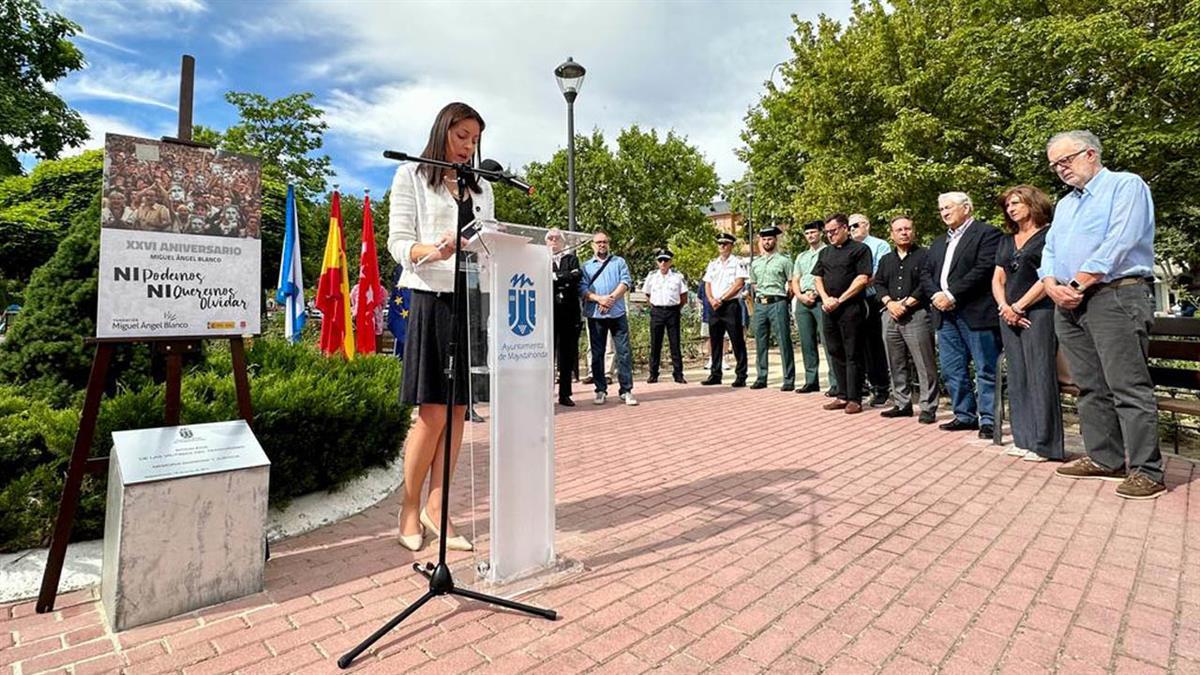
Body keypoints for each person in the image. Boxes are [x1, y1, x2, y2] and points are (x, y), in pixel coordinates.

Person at [386, 102, 490, 553]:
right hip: (431, 298)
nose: (468, 146)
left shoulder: (482, 186)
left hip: (471, 300)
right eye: (462, 135)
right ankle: (409, 509)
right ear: (443, 130)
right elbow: (397, 243)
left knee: (459, 410)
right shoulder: (411, 176)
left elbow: (487, 243)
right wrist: (435, 250)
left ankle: (438, 508)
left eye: (475, 139)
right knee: (432, 413)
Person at [1040, 130, 1164, 499]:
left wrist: (1076, 283)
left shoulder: (1125, 186)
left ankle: (1147, 471)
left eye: (1066, 160)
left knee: (1127, 386)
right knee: (1089, 385)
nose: (1061, 169)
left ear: (1090, 153)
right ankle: (1104, 458)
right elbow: (1050, 249)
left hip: (1115, 295)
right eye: (1055, 165)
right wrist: (1050, 283)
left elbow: (1120, 240)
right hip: (1069, 302)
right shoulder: (1065, 204)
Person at [922, 192, 1003, 438]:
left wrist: (951, 294)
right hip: (944, 315)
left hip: (975, 312)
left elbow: (983, 269)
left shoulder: (987, 234)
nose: (944, 213)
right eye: (941, 209)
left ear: (966, 208)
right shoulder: (939, 242)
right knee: (952, 368)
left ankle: (989, 420)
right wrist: (937, 296)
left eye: (948, 207)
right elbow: (926, 274)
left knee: (985, 367)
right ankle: (965, 415)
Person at [992, 185, 1064, 462]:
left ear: (1033, 204)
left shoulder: (1050, 235)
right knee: (1018, 376)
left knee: (1040, 375)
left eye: (1016, 203)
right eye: (1008, 205)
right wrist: (1004, 307)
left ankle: (1045, 445)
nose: (1010, 209)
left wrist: (1020, 306)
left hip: (1038, 313)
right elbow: (998, 278)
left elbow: (1049, 277)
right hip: (1008, 314)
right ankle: (1023, 439)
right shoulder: (1006, 241)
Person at [874, 215, 938, 423]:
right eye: (899, 230)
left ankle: (928, 406)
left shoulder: (925, 255)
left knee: (924, 363)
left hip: (916, 314)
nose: (904, 233)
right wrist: (889, 303)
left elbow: (926, 283)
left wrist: (907, 303)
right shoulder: (886, 260)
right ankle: (902, 403)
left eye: (907, 229)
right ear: (891, 234)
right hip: (890, 314)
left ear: (914, 231)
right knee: (895, 361)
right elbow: (879, 283)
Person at [814, 213, 872, 414]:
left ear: (845, 228)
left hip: (851, 308)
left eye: (834, 231)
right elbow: (817, 278)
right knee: (834, 350)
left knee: (852, 353)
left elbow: (862, 278)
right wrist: (825, 299)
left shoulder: (860, 249)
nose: (830, 235)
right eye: (827, 232)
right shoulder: (825, 252)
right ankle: (842, 395)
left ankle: (855, 398)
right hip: (829, 308)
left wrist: (840, 299)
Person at [580, 230, 637, 406]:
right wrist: (599, 299)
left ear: (608, 244)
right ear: (592, 245)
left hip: (617, 313)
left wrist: (610, 299)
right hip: (596, 314)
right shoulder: (586, 266)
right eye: (598, 242)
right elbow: (582, 289)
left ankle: (626, 390)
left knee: (623, 352)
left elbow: (625, 282)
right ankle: (600, 389)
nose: (602, 245)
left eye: (604, 242)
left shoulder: (619, 262)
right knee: (597, 354)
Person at [850, 213, 893, 406]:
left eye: (856, 225)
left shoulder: (879, 245)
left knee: (874, 346)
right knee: (857, 346)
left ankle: (881, 387)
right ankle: (861, 386)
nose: (852, 229)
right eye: (849, 227)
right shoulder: (849, 248)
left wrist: (857, 284)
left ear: (866, 225)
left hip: (873, 299)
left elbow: (880, 272)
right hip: (853, 300)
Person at [791, 220, 837, 394]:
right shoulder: (801, 256)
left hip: (821, 300)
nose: (810, 236)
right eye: (807, 233)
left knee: (828, 341)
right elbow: (795, 279)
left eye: (813, 232)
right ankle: (811, 380)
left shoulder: (829, 252)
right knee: (806, 342)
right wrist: (800, 295)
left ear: (820, 233)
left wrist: (817, 294)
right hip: (803, 301)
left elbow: (830, 276)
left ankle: (835, 382)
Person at [748, 225, 796, 391]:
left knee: (784, 341)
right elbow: (754, 284)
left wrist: (784, 300)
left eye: (770, 239)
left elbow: (791, 284)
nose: (767, 242)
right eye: (764, 239)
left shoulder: (784, 261)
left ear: (775, 240)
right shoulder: (756, 263)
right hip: (760, 304)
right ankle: (761, 377)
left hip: (778, 302)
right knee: (760, 342)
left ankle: (788, 379)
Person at [702, 232, 749, 387]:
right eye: (720, 244)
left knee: (737, 341)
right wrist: (711, 299)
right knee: (715, 341)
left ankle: (741, 375)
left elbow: (739, 284)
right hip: (714, 306)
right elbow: (707, 284)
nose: (722, 246)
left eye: (725, 244)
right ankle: (715, 374)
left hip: (730, 305)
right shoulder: (713, 264)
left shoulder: (737, 262)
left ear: (731, 246)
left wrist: (721, 299)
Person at [642, 248, 689, 384]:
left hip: (672, 311)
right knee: (655, 344)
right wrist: (655, 306)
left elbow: (684, 296)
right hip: (657, 311)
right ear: (657, 262)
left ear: (670, 262)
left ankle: (678, 374)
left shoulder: (677, 277)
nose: (663, 263)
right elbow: (647, 294)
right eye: (660, 260)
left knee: (675, 343)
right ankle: (653, 374)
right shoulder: (652, 277)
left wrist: (676, 308)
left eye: (666, 260)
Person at [547, 228, 582, 406]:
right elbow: (541, 278)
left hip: (569, 313)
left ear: (562, 242)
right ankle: (546, 394)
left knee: (567, 355)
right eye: (550, 238)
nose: (554, 241)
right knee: (548, 355)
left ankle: (565, 394)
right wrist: (563, 278)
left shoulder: (571, 259)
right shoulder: (541, 259)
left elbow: (576, 276)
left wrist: (554, 276)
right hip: (549, 312)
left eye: (557, 238)